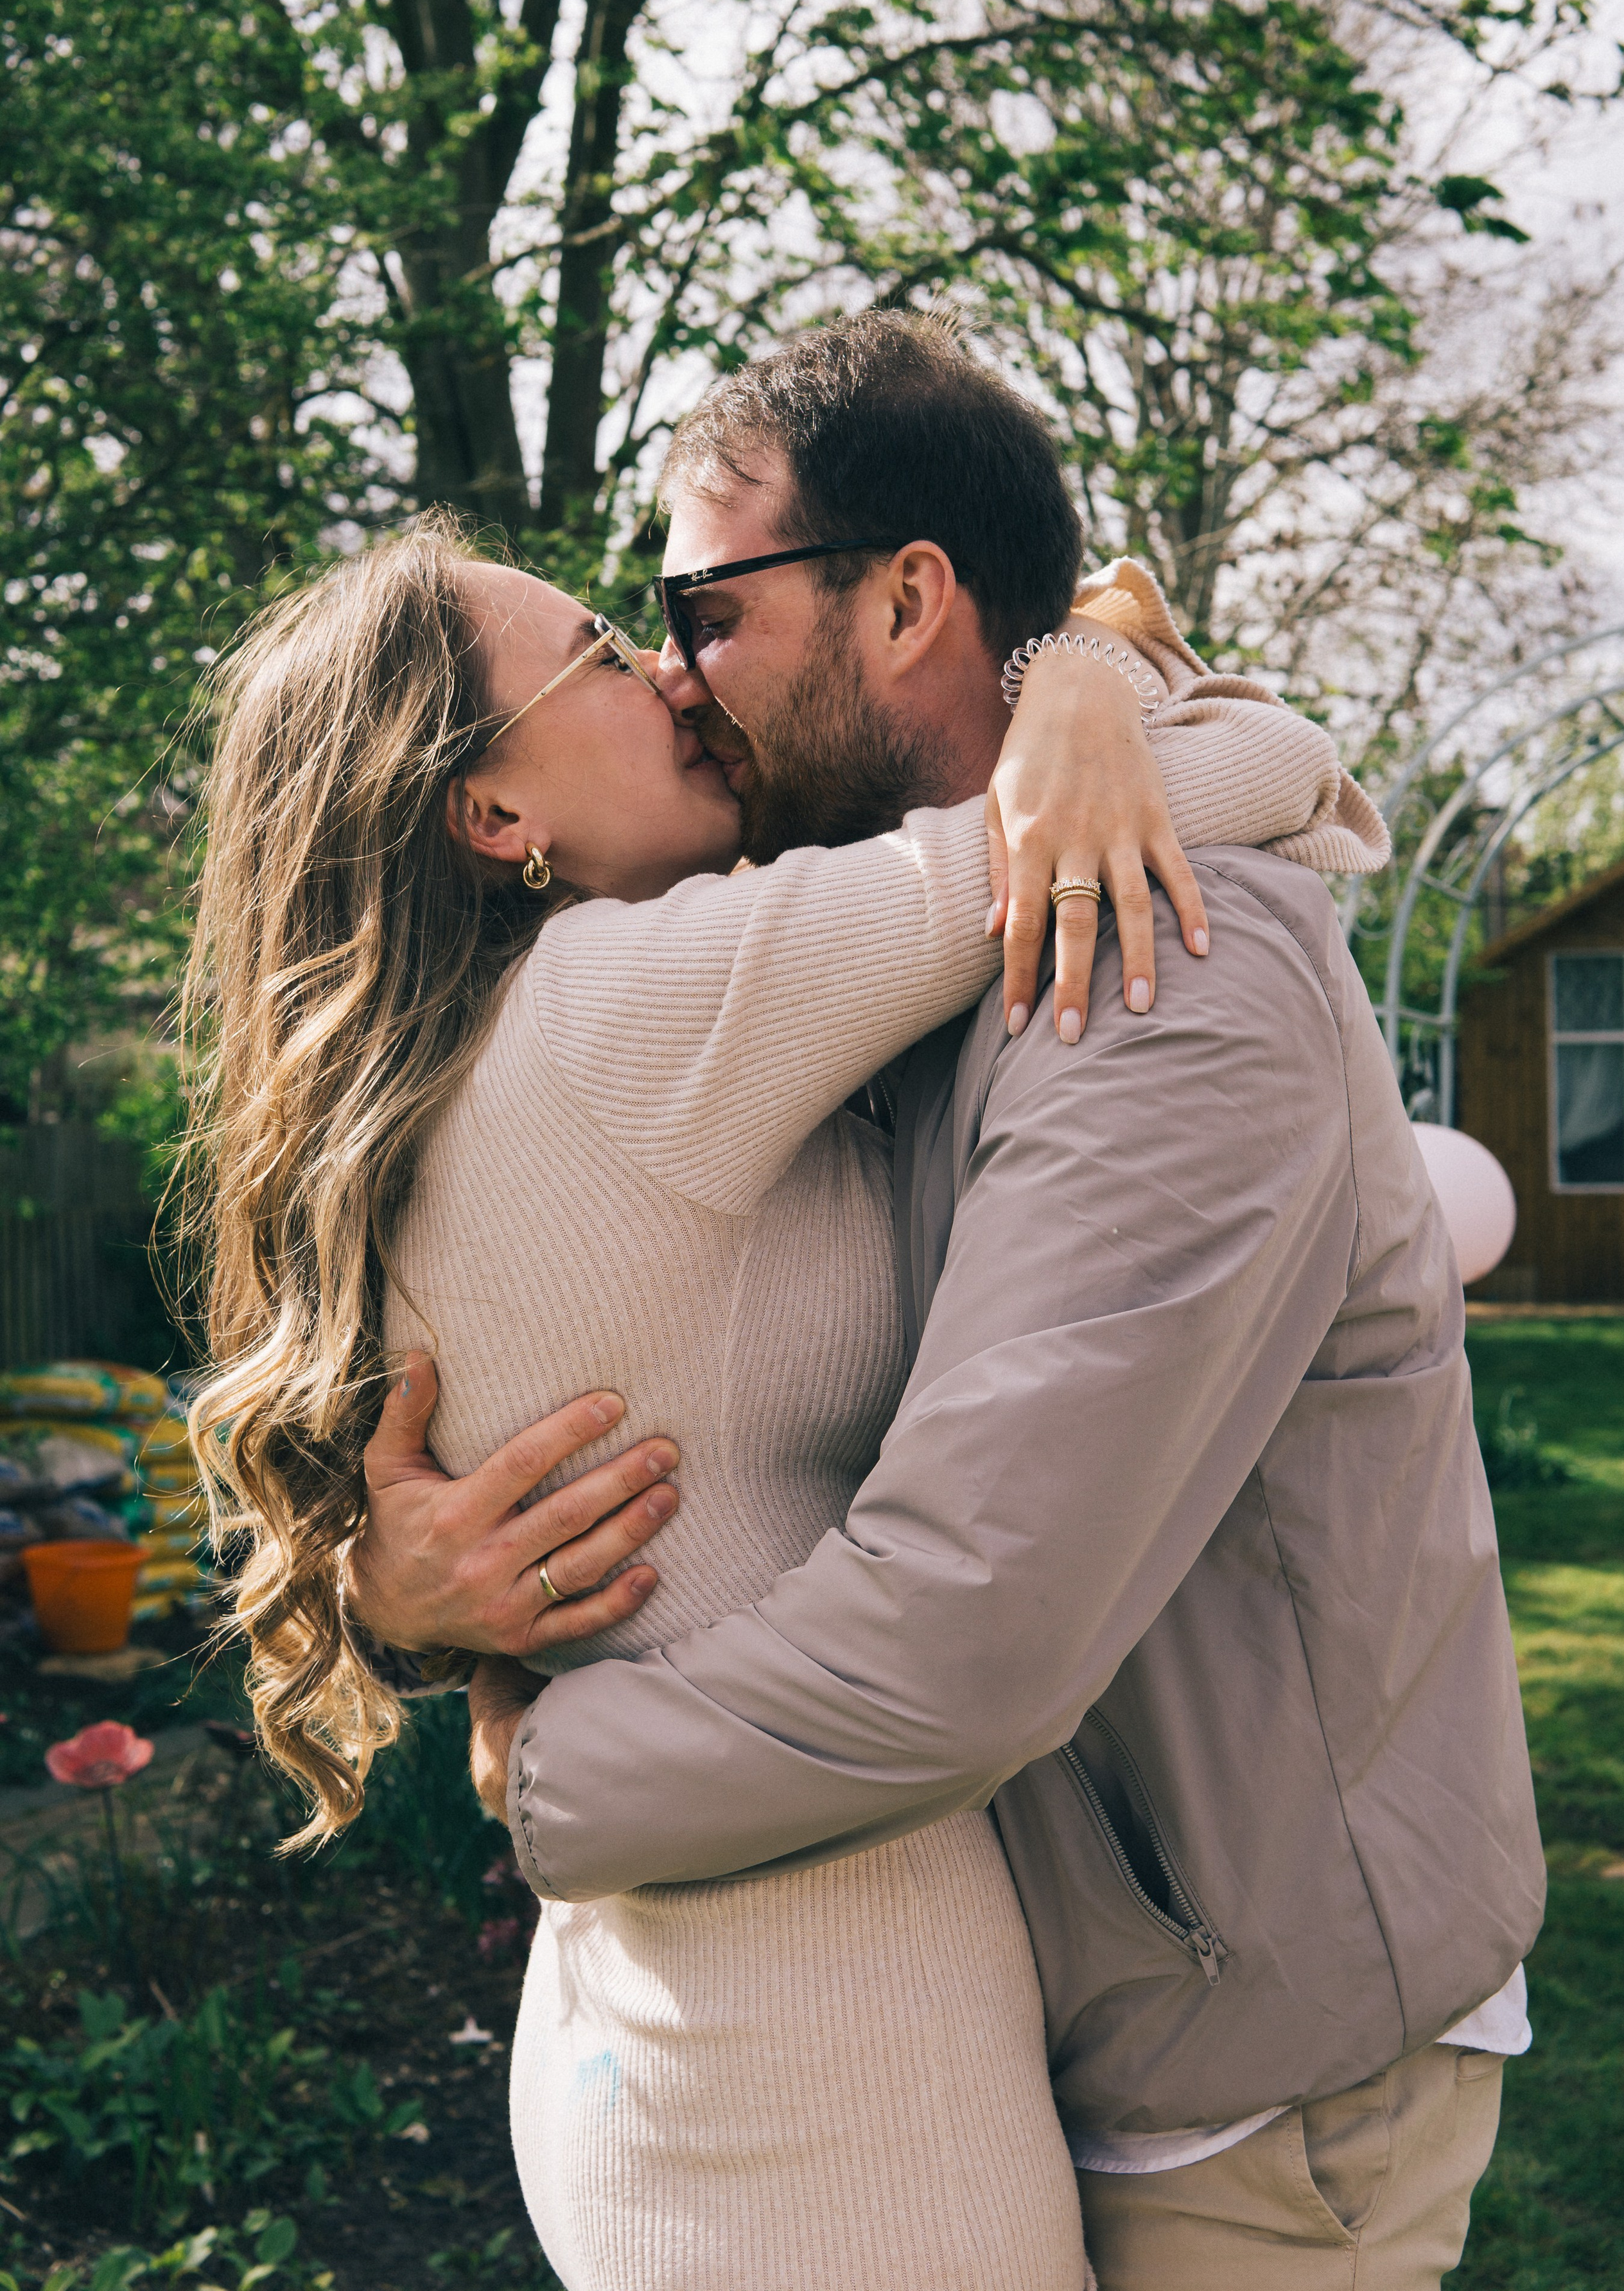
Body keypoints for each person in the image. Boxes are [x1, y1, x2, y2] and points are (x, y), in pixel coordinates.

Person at [351, 313, 1545, 2291]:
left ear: (906, 599)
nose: (672, 671)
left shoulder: (1162, 950)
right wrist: (401, 1602)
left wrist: (546, 1771)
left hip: (1240, 2064)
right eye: (630, 634)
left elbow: (965, 1629)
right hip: (1026, 1997)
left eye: (701, 609)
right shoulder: (869, 958)